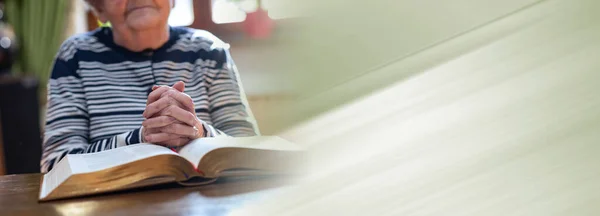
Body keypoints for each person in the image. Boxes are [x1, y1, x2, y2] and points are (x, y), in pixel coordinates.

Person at [41, 0, 259, 173]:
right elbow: (56, 163)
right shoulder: (75, 57)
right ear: (100, 8)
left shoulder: (209, 50)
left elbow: (251, 148)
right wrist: (139, 140)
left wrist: (198, 131)